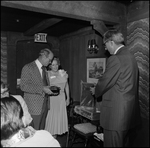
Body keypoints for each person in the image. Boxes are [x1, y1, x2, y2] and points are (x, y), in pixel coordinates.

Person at [90, 30, 141, 147]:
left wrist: (96, 91)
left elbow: (104, 83)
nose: (106, 49)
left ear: (111, 42)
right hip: (128, 114)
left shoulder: (115, 58)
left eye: (105, 45)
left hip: (115, 117)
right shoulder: (130, 56)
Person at [20, 48, 54, 130]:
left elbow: (42, 84)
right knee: (33, 132)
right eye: (49, 60)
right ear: (43, 57)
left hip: (44, 106)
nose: (50, 63)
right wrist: (42, 89)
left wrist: (48, 88)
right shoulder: (28, 67)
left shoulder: (44, 69)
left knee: (41, 131)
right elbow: (23, 86)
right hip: (34, 107)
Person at [45, 57, 70, 138]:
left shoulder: (63, 73)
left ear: (58, 64)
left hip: (61, 100)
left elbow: (66, 86)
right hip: (52, 99)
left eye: (56, 64)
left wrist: (68, 98)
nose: (55, 67)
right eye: (53, 65)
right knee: (51, 122)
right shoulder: (47, 74)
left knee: (57, 123)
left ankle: (54, 142)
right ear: (50, 66)